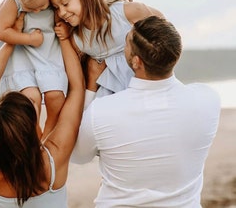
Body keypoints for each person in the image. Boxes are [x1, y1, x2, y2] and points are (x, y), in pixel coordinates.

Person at [71, 16, 221, 207]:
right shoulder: (208, 99)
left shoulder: (102, 111)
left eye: (125, 42)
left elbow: (79, 156)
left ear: (136, 62)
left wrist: (90, 87)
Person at [0, 12, 85, 208]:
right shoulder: (52, 164)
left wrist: (11, 39)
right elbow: (77, 88)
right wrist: (64, 39)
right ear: (35, 130)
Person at [50, 0, 164, 98]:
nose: (61, 12)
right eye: (56, 8)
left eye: (65, 4)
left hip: (143, 86)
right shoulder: (78, 40)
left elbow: (164, 28)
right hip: (107, 97)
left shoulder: (125, 13)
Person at [0, 0, 67, 139]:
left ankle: (49, 132)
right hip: (21, 56)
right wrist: (29, 39)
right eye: (30, 8)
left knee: (55, 96)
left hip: (48, 54)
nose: (36, 11)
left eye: (41, 6)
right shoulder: (13, 1)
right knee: (30, 98)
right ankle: (33, 132)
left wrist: (65, 29)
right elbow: (0, 31)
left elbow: (65, 19)